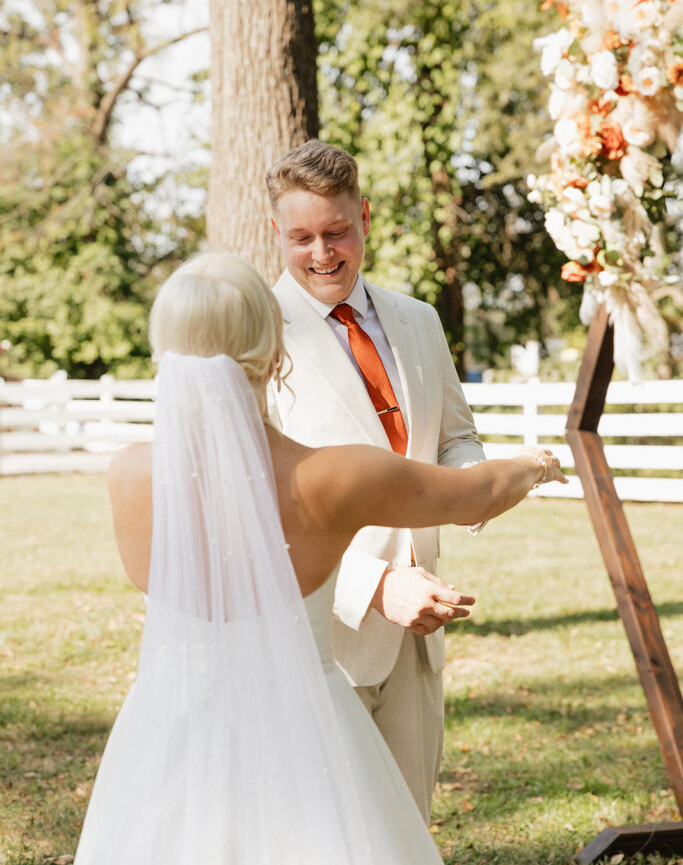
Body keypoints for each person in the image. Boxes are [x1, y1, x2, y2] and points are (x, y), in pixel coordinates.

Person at [74, 252, 566, 864]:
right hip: (303, 738)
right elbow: (479, 493)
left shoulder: (129, 476)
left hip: (166, 739)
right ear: (275, 350)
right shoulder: (333, 476)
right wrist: (536, 464)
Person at [266, 138, 486, 820]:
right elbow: (256, 505)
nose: (321, 253)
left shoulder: (419, 321)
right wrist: (377, 587)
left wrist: (472, 486)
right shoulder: (251, 334)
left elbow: (454, 435)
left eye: (336, 232)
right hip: (315, 636)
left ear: (363, 216)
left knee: (407, 832)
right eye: (300, 237)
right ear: (276, 232)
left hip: (421, 639)